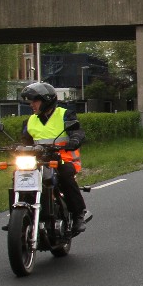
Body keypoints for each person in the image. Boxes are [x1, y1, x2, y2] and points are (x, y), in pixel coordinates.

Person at [19, 81, 91, 234]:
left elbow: (77, 131)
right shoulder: (30, 120)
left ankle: (79, 214)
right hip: (39, 161)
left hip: (63, 159)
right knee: (19, 176)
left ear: (46, 101)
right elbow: (25, 141)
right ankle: (19, 216)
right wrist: (16, 148)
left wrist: (75, 139)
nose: (32, 105)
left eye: (35, 101)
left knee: (65, 176)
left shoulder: (65, 115)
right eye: (31, 101)